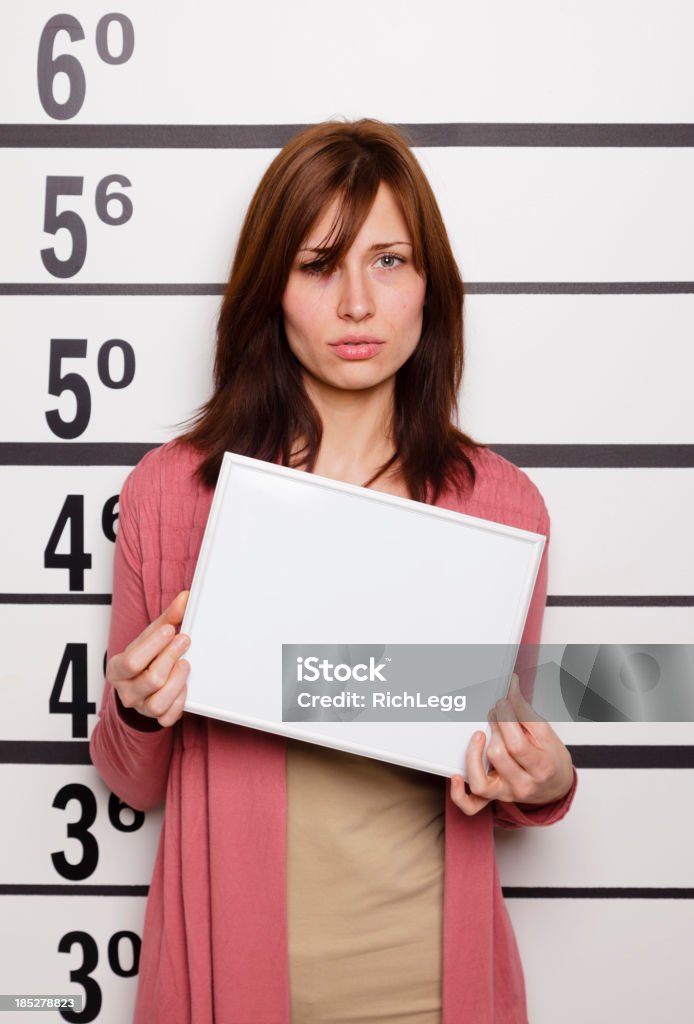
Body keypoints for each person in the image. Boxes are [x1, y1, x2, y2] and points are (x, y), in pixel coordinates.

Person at [90, 118, 578, 1023]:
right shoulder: (171, 495)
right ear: (271, 288)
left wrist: (542, 783)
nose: (357, 302)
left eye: (389, 261)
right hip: (222, 989)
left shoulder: (505, 509)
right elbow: (131, 781)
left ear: (431, 285)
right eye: (320, 264)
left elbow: (489, 758)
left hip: (434, 992)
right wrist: (133, 705)